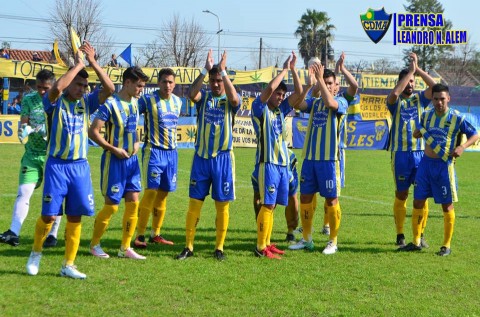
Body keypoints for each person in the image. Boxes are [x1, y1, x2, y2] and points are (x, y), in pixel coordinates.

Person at [25, 41, 114, 279]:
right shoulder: (54, 102)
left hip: (80, 167)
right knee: (49, 215)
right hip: (57, 166)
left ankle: (69, 265)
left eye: (86, 85)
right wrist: (77, 65)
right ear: (70, 83)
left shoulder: (86, 102)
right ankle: (35, 253)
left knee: (75, 216)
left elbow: (110, 88)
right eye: (79, 84)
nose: (83, 89)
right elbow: (56, 87)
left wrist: (93, 62)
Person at [176, 49, 241, 261]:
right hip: (201, 159)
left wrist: (223, 72)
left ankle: (219, 247)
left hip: (222, 160)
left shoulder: (229, 100)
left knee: (222, 205)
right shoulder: (203, 98)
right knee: (194, 203)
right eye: (212, 80)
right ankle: (188, 246)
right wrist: (205, 69)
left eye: (218, 80)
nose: (215, 84)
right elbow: (191, 94)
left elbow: (234, 100)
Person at [400, 83, 478, 255]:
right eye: (435, 99)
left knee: (446, 206)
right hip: (425, 165)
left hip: (444, 166)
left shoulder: (457, 117)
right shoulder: (427, 116)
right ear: (432, 99)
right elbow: (418, 131)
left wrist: (463, 147)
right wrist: (417, 133)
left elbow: (476, 134)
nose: (439, 102)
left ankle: (446, 245)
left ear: (448, 99)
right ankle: (416, 241)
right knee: (418, 201)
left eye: (442, 99)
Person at [88, 66, 149, 260]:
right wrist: (113, 149)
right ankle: (94, 244)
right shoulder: (110, 104)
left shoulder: (135, 103)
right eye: (139, 86)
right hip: (114, 162)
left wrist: (137, 142)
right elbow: (93, 131)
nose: (141, 90)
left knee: (133, 204)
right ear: (128, 82)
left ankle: (125, 247)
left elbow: (132, 129)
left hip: (132, 163)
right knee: (112, 206)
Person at [288, 63, 348, 255]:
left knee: (331, 200)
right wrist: (308, 85)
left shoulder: (341, 102)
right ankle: (306, 239)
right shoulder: (315, 103)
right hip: (310, 159)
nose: (327, 86)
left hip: (329, 161)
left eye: (330, 83)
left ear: (335, 85)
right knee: (305, 197)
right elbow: (297, 104)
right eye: (325, 82)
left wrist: (320, 80)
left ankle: (333, 241)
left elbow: (331, 104)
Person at [251, 52, 304, 259]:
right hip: (268, 163)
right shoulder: (260, 108)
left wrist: (293, 70)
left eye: (283, 94)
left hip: (282, 165)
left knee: (272, 206)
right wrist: (283, 70)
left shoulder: (281, 110)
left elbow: (299, 92)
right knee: (267, 204)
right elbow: (270, 88)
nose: (280, 96)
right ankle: (260, 247)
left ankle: (267, 243)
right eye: (278, 94)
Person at [0, 70, 62, 248]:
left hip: (53, 157)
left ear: (54, 86)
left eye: (46, 88)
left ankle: (53, 234)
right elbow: (24, 124)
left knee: (54, 196)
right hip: (32, 156)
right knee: (24, 193)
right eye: (40, 87)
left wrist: (46, 131)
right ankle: (14, 232)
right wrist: (24, 131)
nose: (43, 91)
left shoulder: (61, 101)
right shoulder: (29, 99)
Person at [387, 52, 436, 248]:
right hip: (400, 154)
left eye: (413, 81)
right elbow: (394, 94)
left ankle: (420, 233)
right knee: (402, 194)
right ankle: (400, 234)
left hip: (420, 154)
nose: (411, 84)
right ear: (401, 82)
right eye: (408, 81)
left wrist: (417, 70)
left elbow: (434, 87)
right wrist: (409, 73)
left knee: (422, 194)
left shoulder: (420, 100)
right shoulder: (394, 102)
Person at [133, 68, 182, 248]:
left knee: (163, 195)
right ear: (158, 82)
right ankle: (139, 235)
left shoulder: (178, 102)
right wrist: (134, 139)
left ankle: (156, 233)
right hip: (154, 151)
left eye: (170, 82)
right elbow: (131, 113)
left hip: (172, 154)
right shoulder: (148, 100)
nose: (167, 85)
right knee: (151, 192)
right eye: (164, 82)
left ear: (174, 84)